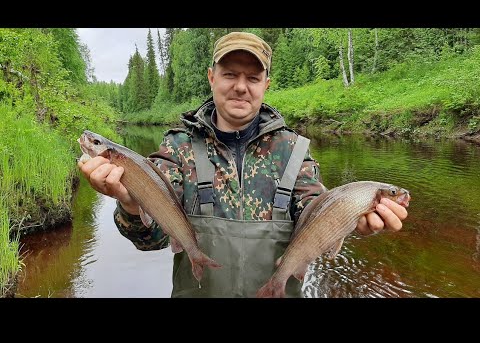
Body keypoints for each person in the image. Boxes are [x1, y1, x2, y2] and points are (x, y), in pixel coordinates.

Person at [78, 31, 408, 298]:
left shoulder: (295, 151)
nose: (240, 86)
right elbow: (151, 241)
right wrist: (130, 204)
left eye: (253, 77)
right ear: (211, 77)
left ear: (266, 83)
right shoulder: (176, 147)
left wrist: (353, 221)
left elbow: (315, 214)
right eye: (230, 74)